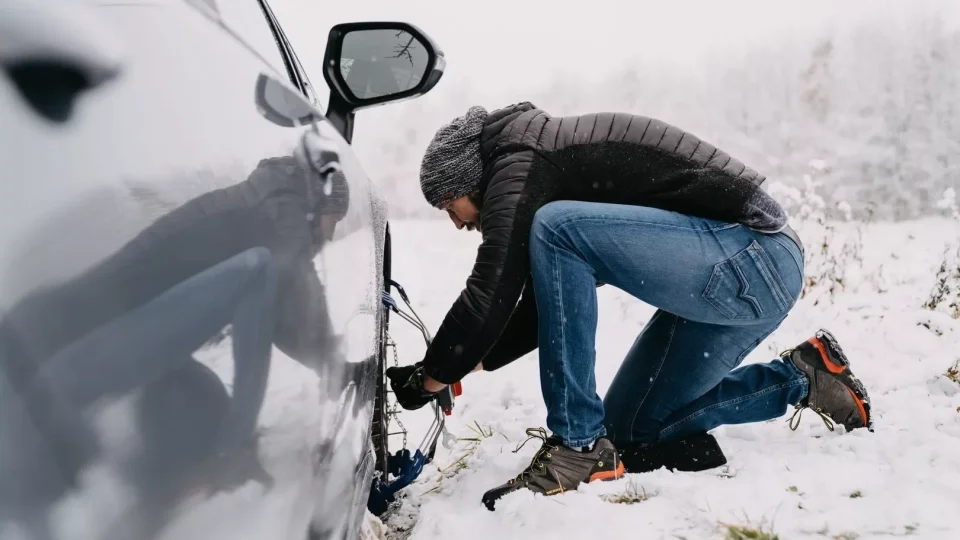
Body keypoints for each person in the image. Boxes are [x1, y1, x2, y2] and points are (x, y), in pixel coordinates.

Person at [385, 102, 873, 510]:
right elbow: (540, 312)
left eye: (449, 207)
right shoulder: (531, 165)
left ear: (468, 181)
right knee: (633, 428)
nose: (455, 222)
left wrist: (431, 376)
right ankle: (804, 377)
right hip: (741, 275)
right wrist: (451, 368)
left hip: (750, 254)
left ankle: (576, 446)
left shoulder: (521, 167)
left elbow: (490, 290)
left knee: (556, 228)